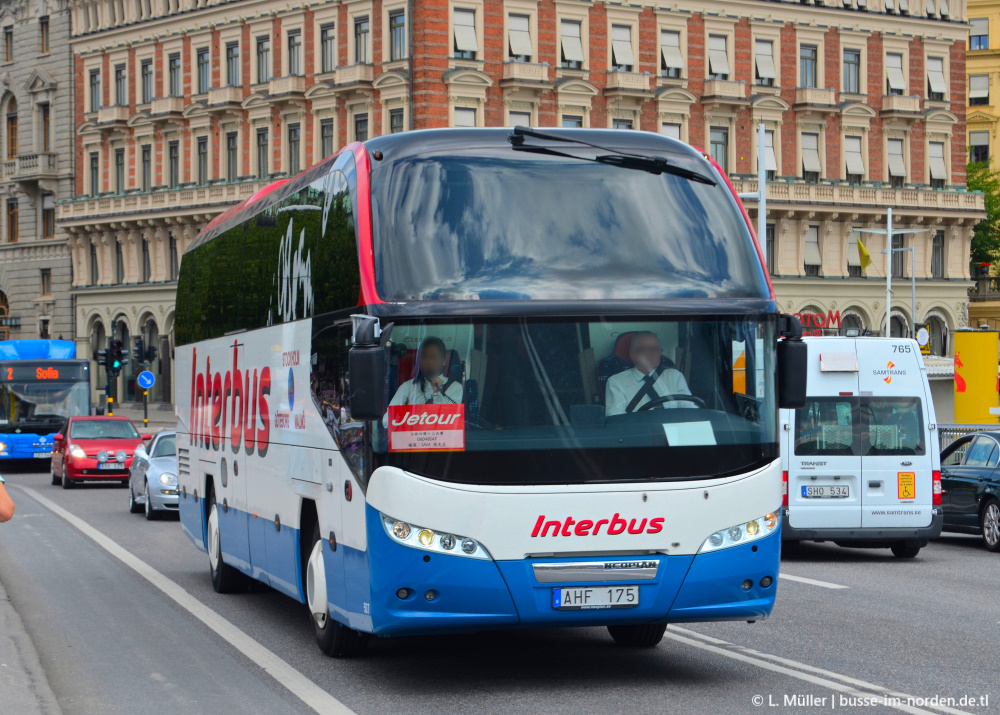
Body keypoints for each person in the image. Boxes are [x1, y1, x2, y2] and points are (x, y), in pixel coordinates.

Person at [605, 331, 695, 416]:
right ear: (633, 353)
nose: (652, 354)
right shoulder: (617, 381)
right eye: (646, 349)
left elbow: (690, 411)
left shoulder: (674, 376)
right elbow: (616, 420)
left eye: (656, 349)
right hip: (640, 431)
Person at [383, 337, 464, 425]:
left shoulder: (455, 388)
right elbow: (386, 422)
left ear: (444, 360)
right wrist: (407, 414)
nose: (428, 362)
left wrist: (436, 394)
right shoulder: (407, 387)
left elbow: (454, 423)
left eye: (433, 357)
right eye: (424, 357)